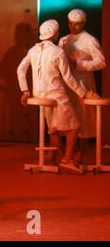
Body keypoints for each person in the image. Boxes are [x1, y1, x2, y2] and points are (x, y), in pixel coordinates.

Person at [17, 19, 100, 173]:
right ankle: (67, 160)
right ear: (55, 34)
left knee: (53, 128)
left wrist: (25, 91)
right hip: (56, 95)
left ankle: (59, 159)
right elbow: (68, 78)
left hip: (38, 94)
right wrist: (84, 93)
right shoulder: (58, 52)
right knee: (75, 127)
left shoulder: (33, 50)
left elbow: (20, 69)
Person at [59, 9, 106, 167]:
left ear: (84, 23)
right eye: (71, 24)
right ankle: (67, 157)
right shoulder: (63, 40)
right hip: (67, 85)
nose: (74, 27)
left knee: (84, 122)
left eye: (77, 24)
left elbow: (101, 62)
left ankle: (79, 156)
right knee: (69, 122)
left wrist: (78, 64)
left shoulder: (90, 40)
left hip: (84, 85)